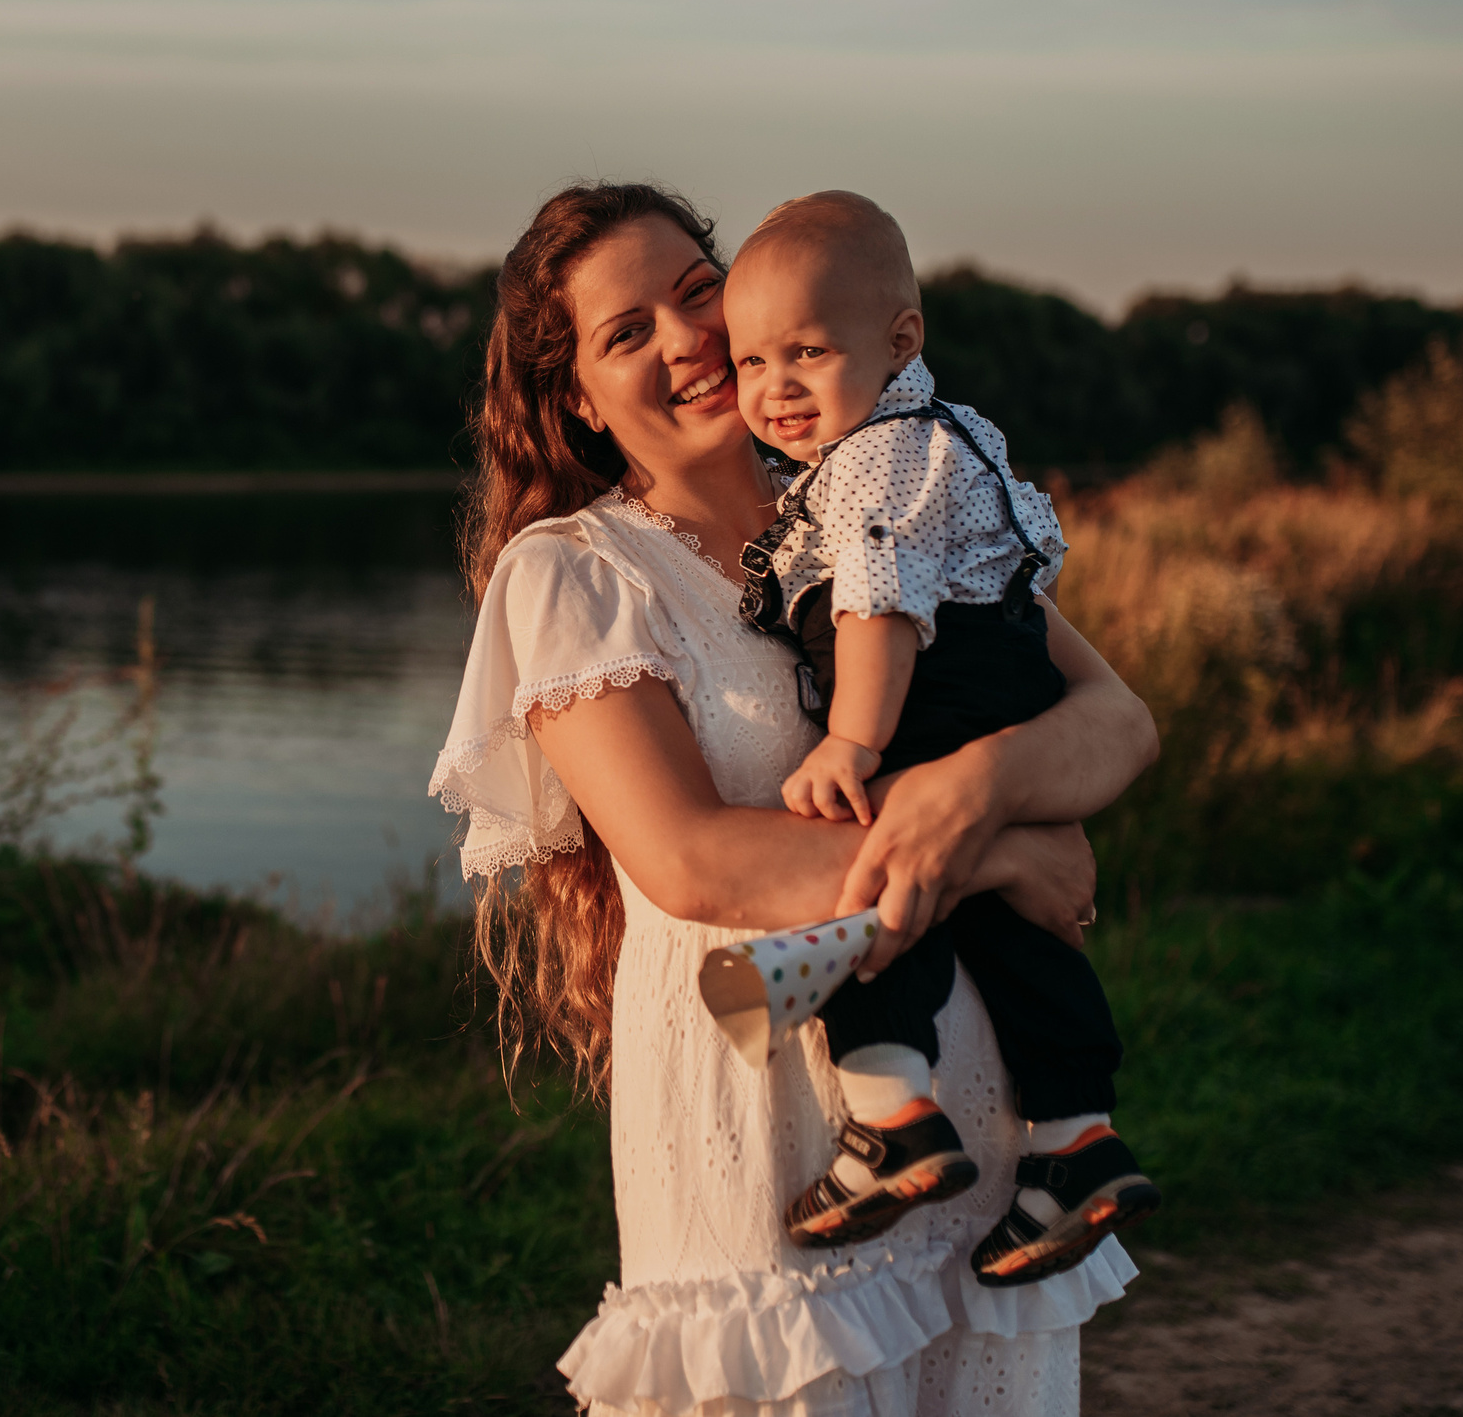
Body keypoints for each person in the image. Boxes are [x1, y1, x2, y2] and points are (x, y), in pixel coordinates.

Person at [430, 182, 1158, 1416]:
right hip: (761, 1128)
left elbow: (1113, 720)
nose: (685, 339)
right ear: (576, 400)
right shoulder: (574, 573)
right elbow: (691, 857)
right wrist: (994, 858)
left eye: (696, 292)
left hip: (979, 1145)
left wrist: (976, 784)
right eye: (626, 332)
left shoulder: (882, 488)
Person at [720, 190, 1158, 1286]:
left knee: (874, 880)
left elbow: (873, 602)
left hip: (932, 692)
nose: (773, 389)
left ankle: (892, 1119)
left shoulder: (872, 459)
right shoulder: (940, 435)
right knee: (1014, 926)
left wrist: (856, 742)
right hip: (995, 677)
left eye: (807, 353)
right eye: (750, 362)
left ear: (899, 338)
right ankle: (1074, 1138)